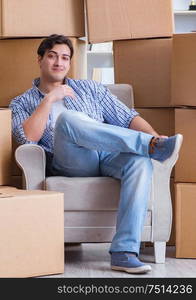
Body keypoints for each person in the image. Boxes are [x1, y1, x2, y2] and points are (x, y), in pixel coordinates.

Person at [9, 34, 183, 274]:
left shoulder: (90, 89)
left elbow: (128, 117)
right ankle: (148, 145)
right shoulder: (21, 102)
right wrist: (49, 100)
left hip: (108, 155)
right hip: (72, 162)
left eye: (65, 58)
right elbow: (26, 138)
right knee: (69, 119)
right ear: (40, 60)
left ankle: (124, 252)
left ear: (70, 63)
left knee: (141, 162)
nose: (59, 62)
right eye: (52, 56)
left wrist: (155, 137)